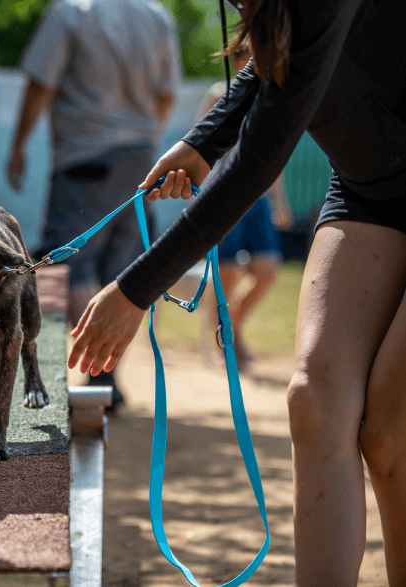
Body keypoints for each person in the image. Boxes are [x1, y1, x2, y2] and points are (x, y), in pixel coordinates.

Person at [67, 0, 406, 584]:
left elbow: (261, 152)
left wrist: (136, 289)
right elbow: (280, 59)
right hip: (367, 189)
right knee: (315, 402)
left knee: (390, 430)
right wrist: (202, 142)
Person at [5, 0, 180, 407]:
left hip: (84, 157)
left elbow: (41, 83)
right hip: (141, 159)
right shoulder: (157, 16)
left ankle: (85, 371)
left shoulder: (70, 11)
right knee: (124, 270)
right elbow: (167, 94)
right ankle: (106, 378)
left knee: (66, 265)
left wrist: (19, 144)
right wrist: (145, 140)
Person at [195, 42, 293, 368]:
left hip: (258, 196)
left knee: (268, 268)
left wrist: (280, 201)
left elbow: (273, 154)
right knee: (228, 270)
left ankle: (233, 328)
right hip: (224, 192)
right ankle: (220, 342)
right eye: (245, 56)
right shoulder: (219, 93)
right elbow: (200, 142)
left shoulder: (271, 98)